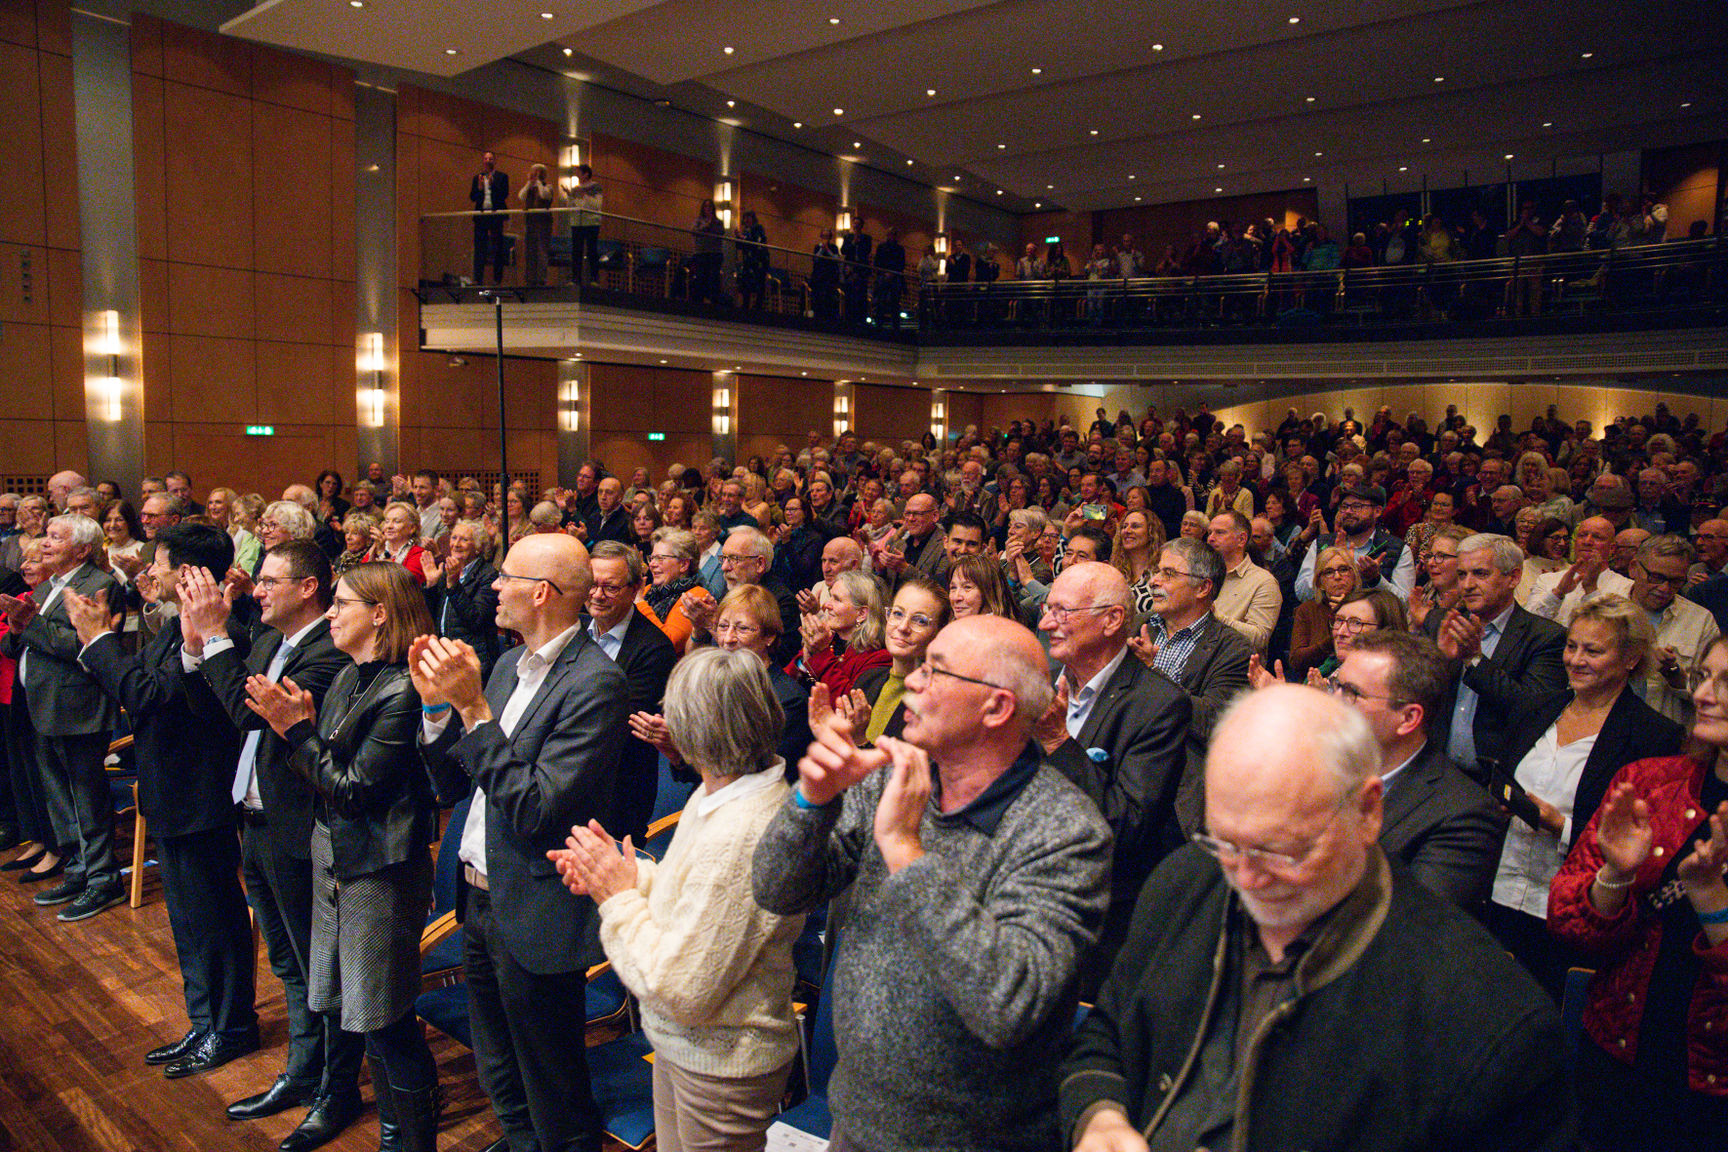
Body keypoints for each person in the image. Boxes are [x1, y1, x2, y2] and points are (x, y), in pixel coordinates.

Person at [1059, 685, 1573, 1152]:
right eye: (1226, 843)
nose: (1247, 878)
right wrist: (1099, 1117)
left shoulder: (1487, 1020)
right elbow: (1107, 1033)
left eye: (1281, 851)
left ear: (1369, 812)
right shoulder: (1187, 881)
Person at [752, 613, 1111, 1152]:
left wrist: (904, 849)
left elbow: (1008, 1004)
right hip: (856, 1118)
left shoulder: (1065, 830)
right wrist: (811, 802)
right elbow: (775, 890)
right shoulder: (894, 776)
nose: (913, 681)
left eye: (934, 670)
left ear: (996, 708)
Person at [413, 532, 628, 1152]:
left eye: (506, 577)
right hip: (478, 894)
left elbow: (536, 810)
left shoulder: (596, 683)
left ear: (541, 593)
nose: (494, 587)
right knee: (498, 1067)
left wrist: (474, 710)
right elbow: (456, 783)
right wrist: (437, 710)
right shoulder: (508, 666)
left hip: (536, 906)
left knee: (552, 1084)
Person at [552, 647, 804, 1152]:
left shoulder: (743, 830)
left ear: (694, 729)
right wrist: (631, 876)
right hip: (689, 1046)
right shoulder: (722, 790)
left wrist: (617, 897)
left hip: (721, 1062)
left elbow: (681, 989)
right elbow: (693, 898)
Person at [244, 562, 441, 1152]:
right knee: (347, 1006)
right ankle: (387, 1127)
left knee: (384, 1017)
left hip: (378, 870)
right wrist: (305, 736)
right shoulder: (349, 676)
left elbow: (354, 790)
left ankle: (408, 1140)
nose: (330, 613)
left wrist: (296, 733)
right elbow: (329, 773)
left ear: (379, 614)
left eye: (342, 604)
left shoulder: (402, 690)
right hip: (334, 855)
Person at [179, 542, 365, 1145]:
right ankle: (302, 1073)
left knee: (320, 969)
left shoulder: (327, 651)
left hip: (300, 828)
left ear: (308, 588)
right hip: (255, 819)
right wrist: (199, 644)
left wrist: (215, 635)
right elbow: (224, 707)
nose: (256, 590)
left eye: (269, 581)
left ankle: (337, 1090)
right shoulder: (267, 641)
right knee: (286, 962)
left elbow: (248, 714)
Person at [67, 522, 260, 1077]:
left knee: (214, 920)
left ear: (191, 573)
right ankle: (204, 1021)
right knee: (188, 922)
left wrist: (97, 640)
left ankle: (232, 1027)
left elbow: (143, 693)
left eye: (161, 562)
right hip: (171, 793)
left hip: (201, 796)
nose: (151, 570)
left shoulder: (224, 633)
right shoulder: (178, 626)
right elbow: (148, 685)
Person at [1548, 634, 1728, 1151]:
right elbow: (1569, 926)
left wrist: (1712, 901)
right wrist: (1615, 875)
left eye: (1725, 683)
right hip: (1618, 1054)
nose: (1702, 695)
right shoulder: (1651, 784)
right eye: (1704, 677)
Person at [1487, 593, 1684, 1000]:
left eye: (1592, 651)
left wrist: (1561, 826)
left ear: (1630, 659)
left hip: (1573, 912)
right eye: (1571, 646)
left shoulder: (1653, 736)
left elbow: (1645, 846)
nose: (1575, 660)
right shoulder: (1537, 707)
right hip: (1500, 890)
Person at [1032, 561, 1189, 994]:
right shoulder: (1043, 685)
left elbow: (1125, 825)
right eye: (1047, 609)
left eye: (1062, 611)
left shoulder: (1158, 705)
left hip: (1098, 923)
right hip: (1026, 898)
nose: (1046, 623)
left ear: (1112, 619)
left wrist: (1060, 742)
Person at [1327, 629, 1508, 916]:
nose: (1334, 702)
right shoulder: (1319, 769)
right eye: (1335, 686)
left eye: (1351, 693)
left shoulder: (1465, 814)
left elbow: (1413, 921)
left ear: (1408, 718)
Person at [0, 514, 124, 919]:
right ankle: (78, 869)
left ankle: (104, 879)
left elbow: (85, 646)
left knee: (87, 799)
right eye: (47, 536)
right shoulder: (47, 585)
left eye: (56, 537)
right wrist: (16, 629)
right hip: (40, 705)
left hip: (77, 707)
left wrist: (31, 624)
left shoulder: (99, 584)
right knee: (59, 798)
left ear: (83, 549)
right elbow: (16, 645)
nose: (45, 543)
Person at [1131, 537, 1252, 833]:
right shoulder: (1137, 625)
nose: (1154, 581)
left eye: (1169, 574)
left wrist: (1153, 672)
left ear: (1203, 588)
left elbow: (1213, 721)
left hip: (1175, 789)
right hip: (1119, 765)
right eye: (1156, 572)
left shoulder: (1232, 648)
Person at [1425, 533, 1568, 776]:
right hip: (1437, 771)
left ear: (1513, 577)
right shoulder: (1443, 622)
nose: (1467, 585)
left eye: (1480, 573)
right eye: (1462, 574)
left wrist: (1474, 660)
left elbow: (1532, 711)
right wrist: (1440, 661)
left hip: (1495, 780)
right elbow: (1414, 696)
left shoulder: (1546, 637)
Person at [586, 541, 675, 841]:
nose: (597, 595)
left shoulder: (654, 648)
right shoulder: (576, 630)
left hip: (618, 795)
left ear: (636, 588)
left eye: (610, 587)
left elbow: (618, 724)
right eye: (592, 584)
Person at [1630, 535, 1721, 724]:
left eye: (1676, 581)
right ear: (1633, 568)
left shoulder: (1700, 620)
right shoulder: (1605, 610)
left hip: (1665, 731)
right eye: (1657, 578)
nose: (1665, 588)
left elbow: (1714, 692)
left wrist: (1673, 673)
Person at [850, 577, 950, 745]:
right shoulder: (867, 679)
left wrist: (859, 741)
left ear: (939, 632)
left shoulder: (937, 702)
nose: (903, 627)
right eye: (898, 614)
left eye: (920, 621)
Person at [1295, 484, 1415, 603]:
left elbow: (1405, 603)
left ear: (1377, 511)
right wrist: (1329, 566)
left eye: (1357, 506)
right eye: (1344, 506)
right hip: (1327, 613)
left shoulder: (1397, 549)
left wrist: (1376, 580)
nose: (1348, 511)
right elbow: (1302, 593)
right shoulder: (1323, 543)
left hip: (1373, 615)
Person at [786, 568, 890, 699]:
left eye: (837, 599)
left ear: (861, 613)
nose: (826, 605)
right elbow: (784, 685)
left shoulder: (879, 658)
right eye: (830, 596)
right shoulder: (828, 640)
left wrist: (820, 654)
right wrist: (804, 659)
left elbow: (849, 702)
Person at [424, 519, 501, 684]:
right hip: (445, 654)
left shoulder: (488, 575)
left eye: (464, 539)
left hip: (473, 659)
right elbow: (432, 616)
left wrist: (453, 586)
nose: (456, 544)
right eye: (454, 538)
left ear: (478, 547)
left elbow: (476, 620)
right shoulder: (448, 571)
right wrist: (431, 585)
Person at [1526, 515, 1633, 626]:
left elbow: (1612, 630)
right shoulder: (1546, 580)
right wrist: (1558, 593)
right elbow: (1528, 624)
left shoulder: (1625, 587)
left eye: (1597, 537)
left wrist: (1591, 590)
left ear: (1612, 548)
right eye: (1582, 535)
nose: (1587, 541)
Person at [1206, 510, 1281, 654]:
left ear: (1241, 539)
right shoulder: (1199, 574)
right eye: (1209, 533)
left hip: (1231, 662)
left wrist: (1214, 615)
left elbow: (1259, 638)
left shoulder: (1263, 582)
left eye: (1219, 532)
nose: (1210, 538)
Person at [637, 527, 712, 655]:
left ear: (683, 565)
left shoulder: (695, 596)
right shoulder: (648, 590)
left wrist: (639, 602)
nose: (652, 564)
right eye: (652, 558)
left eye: (660, 558)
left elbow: (669, 643)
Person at [1288, 544, 1357, 678]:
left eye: (1343, 570)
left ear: (1354, 576)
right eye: (1329, 572)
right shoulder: (1307, 610)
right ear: (1320, 582)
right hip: (1314, 681)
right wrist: (1333, 639)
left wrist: (1347, 611)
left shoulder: (1368, 605)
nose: (1337, 576)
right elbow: (1296, 660)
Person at [470, 150, 509, 285]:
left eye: (490, 159)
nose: (488, 161)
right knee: (479, 247)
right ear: (483, 161)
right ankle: (477, 279)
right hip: (481, 216)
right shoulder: (477, 178)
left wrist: (493, 185)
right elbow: (472, 197)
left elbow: (504, 195)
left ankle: (497, 279)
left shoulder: (502, 177)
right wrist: (480, 188)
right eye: (485, 159)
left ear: (494, 161)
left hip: (495, 216)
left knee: (497, 247)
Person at [368, 502, 428, 585]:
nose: (389, 526)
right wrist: (372, 557)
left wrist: (383, 554)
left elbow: (402, 584)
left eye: (396, 522)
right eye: (387, 521)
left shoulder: (418, 554)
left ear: (412, 528)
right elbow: (361, 579)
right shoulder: (377, 547)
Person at [947, 552, 1016, 622]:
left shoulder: (1002, 628)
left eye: (967, 587)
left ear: (991, 593)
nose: (956, 597)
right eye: (953, 588)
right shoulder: (954, 627)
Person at [567, 163, 603, 286]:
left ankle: (594, 278)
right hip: (577, 223)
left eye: (578, 172)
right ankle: (575, 279)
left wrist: (584, 196)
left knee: (592, 250)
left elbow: (597, 205)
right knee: (576, 251)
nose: (576, 174)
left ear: (586, 174)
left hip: (591, 223)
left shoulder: (596, 187)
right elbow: (571, 206)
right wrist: (570, 196)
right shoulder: (575, 188)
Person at [520, 163, 555, 288]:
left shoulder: (548, 187)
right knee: (530, 251)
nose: (534, 174)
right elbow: (521, 196)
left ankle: (541, 279)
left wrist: (539, 182)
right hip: (530, 222)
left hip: (543, 223)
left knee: (541, 251)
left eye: (537, 172)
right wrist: (529, 183)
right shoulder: (529, 188)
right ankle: (530, 279)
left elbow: (544, 195)